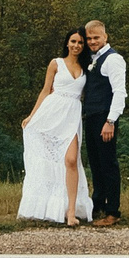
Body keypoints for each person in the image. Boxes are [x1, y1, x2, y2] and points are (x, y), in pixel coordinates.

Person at [16, 28, 93, 226]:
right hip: (52, 113)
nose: (76, 45)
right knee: (50, 159)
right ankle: (44, 205)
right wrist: (32, 116)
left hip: (72, 116)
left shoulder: (87, 67)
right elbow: (45, 91)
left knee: (71, 160)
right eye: (73, 41)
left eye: (80, 43)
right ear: (67, 43)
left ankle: (71, 212)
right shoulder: (56, 63)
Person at [78, 19, 126, 225]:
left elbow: (119, 92)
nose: (92, 41)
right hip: (91, 115)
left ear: (105, 37)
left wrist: (110, 121)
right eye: (88, 38)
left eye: (96, 37)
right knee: (95, 164)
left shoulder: (113, 59)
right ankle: (98, 203)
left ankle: (113, 211)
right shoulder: (90, 58)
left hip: (105, 117)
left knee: (108, 164)